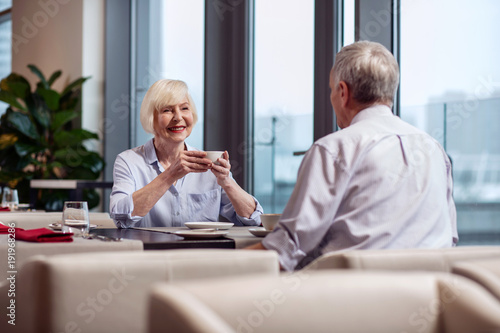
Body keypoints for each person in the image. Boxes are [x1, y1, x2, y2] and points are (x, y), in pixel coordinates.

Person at [246, 41, 458, 271]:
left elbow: (286, 250)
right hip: (428, 294)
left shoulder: (333, 149)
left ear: (343, 92)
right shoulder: (435, 150)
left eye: (331, 89)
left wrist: (216, 265)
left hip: (349, 299)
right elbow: (450, 238)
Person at [110, 79, 263, 228]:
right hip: (152, 251)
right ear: (151, 118)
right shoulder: (128, 161)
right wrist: (170, 175)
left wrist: (227, 182)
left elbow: (254, 219)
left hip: (201, 252)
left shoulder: (209, 162)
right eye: (167, 110)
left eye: (184, 108)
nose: (178, 117)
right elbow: (120, 218)